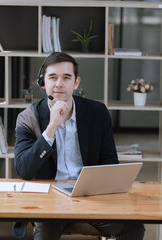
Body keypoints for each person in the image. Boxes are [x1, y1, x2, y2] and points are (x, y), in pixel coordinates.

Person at [13, 52, 145, 240]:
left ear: (76, 83)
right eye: (52, 77)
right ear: (43, 83)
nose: (59, 83)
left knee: (133, 227)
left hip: (90, 196)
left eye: (66, 77)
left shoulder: (97, 113)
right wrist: (51, 129)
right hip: (50, 201)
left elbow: (110, 162)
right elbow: (23, 169)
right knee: (44, 236)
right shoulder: (28, 118)